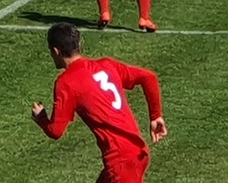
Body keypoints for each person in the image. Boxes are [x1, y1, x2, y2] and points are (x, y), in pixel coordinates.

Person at [31, 22, 168, 183]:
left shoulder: (66, 82)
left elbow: (56, 131)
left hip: (120, 163)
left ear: (56, 51)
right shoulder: (107, 65)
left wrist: (40, 118)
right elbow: (148, 77)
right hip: (136, 152)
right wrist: (155, 115)